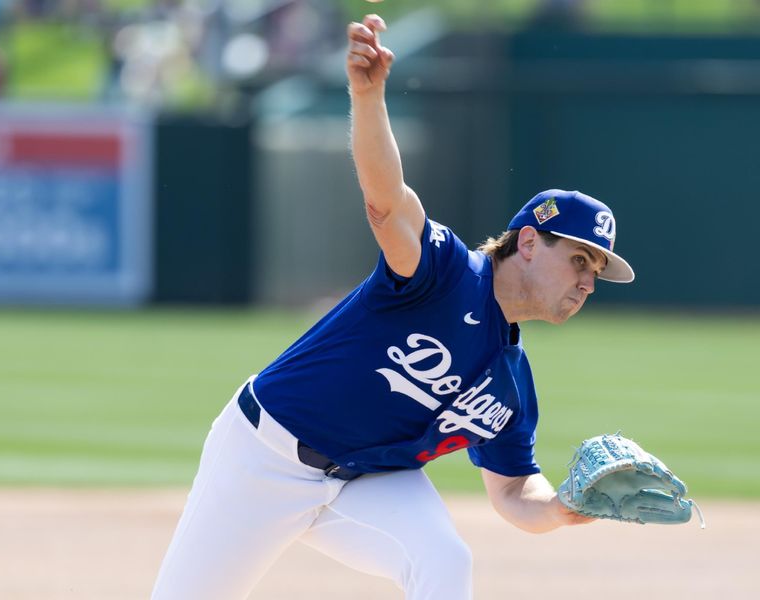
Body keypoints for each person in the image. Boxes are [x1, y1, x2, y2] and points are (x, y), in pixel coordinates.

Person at [152, 13, 635, 600]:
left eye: (598, 271)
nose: (588, 281)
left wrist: (561, 508)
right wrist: (368, 94)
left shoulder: (512, 383)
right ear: (529, 242)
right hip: (263, 457)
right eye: (580, 260)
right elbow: (387, 202)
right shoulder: (443, 271)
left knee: (443, 560)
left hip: (369, 481)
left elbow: (513, 492)